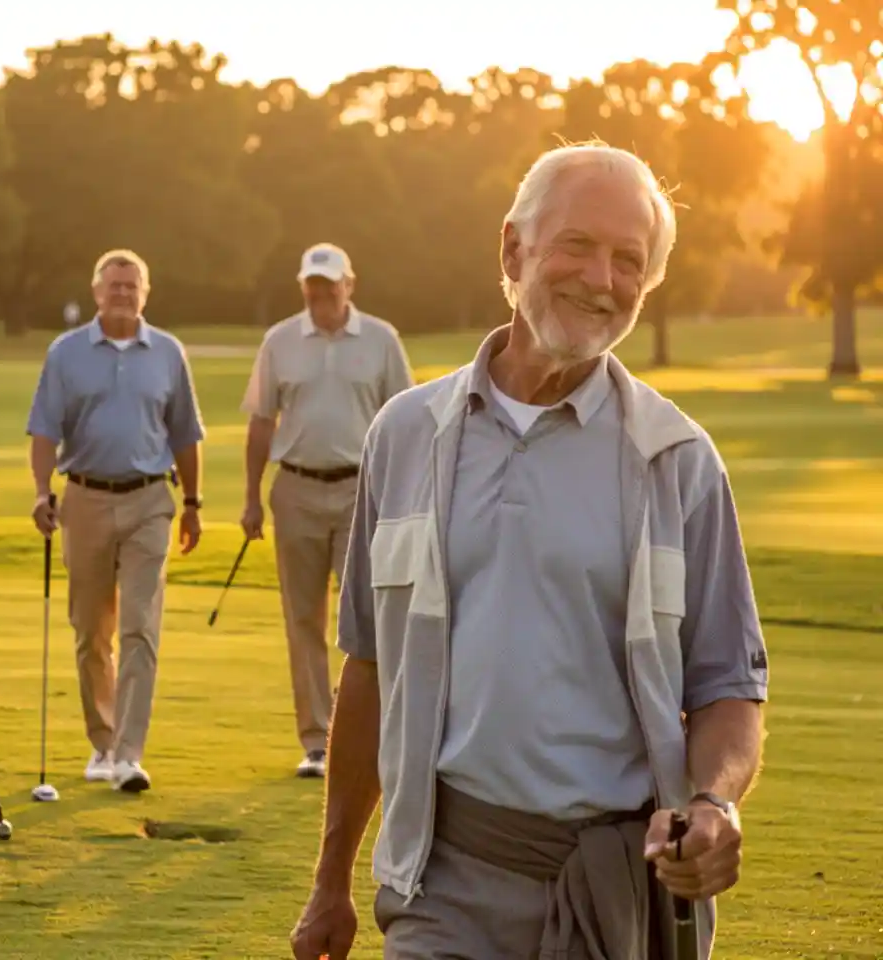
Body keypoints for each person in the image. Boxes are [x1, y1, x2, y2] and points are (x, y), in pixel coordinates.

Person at [290, 143, 770, 960]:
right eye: (578, 245)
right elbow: (370, 668)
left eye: (630, 260)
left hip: (616, 889)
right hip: (444, 884)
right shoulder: (404, 436)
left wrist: (713, 802)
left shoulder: (678, 461)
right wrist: (330, 881)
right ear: (513, 249)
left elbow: (727, 682)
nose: (602, 279)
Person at [26, 248, 206, 794]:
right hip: (84, 498)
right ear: (97, 291)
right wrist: (41, 492)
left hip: (150, 499)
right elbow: (44, 432)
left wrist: (194, 502)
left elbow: (184, 435)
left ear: (145, 293)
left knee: (139, 627)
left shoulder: (168, 353)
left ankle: (129, 754)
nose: (123, 293)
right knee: (90, 630)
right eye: (114, 285)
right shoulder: (67, 353)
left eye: (132, 285)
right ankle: (102, 743)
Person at [240, 243, 413, 779]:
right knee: (304, 618)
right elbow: (262, 421)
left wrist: (406, 498)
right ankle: (317, 740)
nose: (320, 294)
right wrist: (251, 497)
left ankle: (373, 733)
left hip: (365, 492)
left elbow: (405, 422)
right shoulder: (281, 340)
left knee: (368, 615)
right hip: (295, 488)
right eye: (312, 286)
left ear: (349, 285)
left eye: (329, 285)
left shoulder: (381, 339)